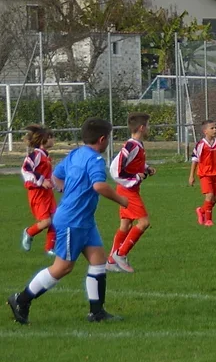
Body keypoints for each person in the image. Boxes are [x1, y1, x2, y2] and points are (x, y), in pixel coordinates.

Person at [8, 118, 128, 325]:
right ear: (102, 139)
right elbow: (99, 186)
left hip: (85, 220)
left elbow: (56, 176)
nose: (109, 142)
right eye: (109, 138)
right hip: (73, 221)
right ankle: (21, 299)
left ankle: (97, 312)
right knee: (62, 267)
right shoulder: (95, 160)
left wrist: (66, 189)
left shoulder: (76, 154)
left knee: (98, 260)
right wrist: (121, 199)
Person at [107, 113, 156, 273]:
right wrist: (134, 177)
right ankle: (120, 254)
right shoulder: (131, 146)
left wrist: (146, 168)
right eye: (148, 125)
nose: (149, 128)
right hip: (128, 190)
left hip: (128, 188)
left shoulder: (137, 145)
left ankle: (110, 261)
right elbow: (117, 169)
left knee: (126, 224)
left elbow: (134, 163)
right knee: (144, 222)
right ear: (142, 128)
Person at [20, 125, 58, 256]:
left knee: (56, 220)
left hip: (47, 194)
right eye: (50, 137)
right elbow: (25, 169)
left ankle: (50, 248)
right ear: (43, 140)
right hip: (38, 194)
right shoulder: (35, 155)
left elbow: (48, 176)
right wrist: (41, 181)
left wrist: (56, 185)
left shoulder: (45, 156)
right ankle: (29, 232)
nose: (53, 140)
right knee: (46, 222)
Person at [188, 121, 216, 227]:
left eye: (215, 128)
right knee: (209, 196)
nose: (215, 130)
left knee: (215, 198)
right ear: (205, 131)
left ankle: (201, 211)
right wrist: (191, 176)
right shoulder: (201, 145)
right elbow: (195, 160)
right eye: (212, 128)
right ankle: (208, 220)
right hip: (205, 174)